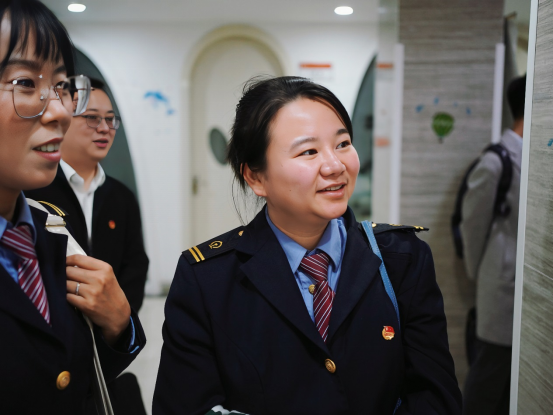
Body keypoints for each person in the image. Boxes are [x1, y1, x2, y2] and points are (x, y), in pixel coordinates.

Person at [153, 76, 462, 415]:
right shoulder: (207, 279)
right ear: (255, 177)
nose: (335, 165)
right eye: (309, 151)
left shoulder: (402, 258)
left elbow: (436, 398)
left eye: (342, 144)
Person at [0, 1, 145, 413]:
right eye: (25, 82)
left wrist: (119, 323)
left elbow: (66, 374)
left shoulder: (46, 231)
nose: (61, 111)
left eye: (62, 86)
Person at [26, 78, 149, 312]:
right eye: (92, 117)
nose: (104, 128)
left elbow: (135, 267)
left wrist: (118, 320)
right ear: (61, 119)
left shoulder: (122, 197)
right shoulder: (32, 188)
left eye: (110, 119)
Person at [461, 75, 526, 415]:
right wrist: (480, 275)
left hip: (522, 288)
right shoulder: (496, 161)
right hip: (499, 286)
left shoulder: (534, 155)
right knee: (488, 377)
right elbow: (472, 226)